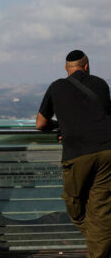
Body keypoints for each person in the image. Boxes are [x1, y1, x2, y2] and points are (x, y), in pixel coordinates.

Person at [36, 50, 111, 258]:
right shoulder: (101, 84)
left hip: (77, 154)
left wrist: (59, 126)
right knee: (101, 208)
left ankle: (99, 244)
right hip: (107, 151)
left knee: (74, 204)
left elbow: (40, 123)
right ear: (86, 66)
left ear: (66, 69)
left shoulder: (57, 86)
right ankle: (101, 242)